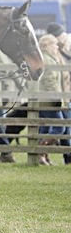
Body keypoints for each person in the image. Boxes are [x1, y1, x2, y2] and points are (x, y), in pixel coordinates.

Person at [32, 34, 67, 166]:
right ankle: (41, 151)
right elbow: (49, 81)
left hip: (46, 99)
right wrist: (56, 97)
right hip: (49, 100)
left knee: (45, 128)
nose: (57, 47)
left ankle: (44, 156)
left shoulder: (49, 58)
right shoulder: (47, 59)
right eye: (54, 44)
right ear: (46, 45)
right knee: (60, 127)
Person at [45, 22, 71, 165]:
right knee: (63, 127)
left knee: (65, 127)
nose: (64, 36)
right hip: (62, 95)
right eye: (61, 35)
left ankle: (66, 157)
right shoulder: (55, 53)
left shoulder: (64, 50)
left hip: (66, 94)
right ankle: (43, 152)